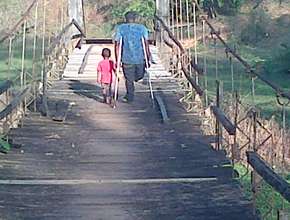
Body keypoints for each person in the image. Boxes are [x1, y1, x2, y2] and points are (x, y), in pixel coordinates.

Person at [114, 11, 151, 103]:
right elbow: (146, 43)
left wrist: (117, 57)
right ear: (135, 19)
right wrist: (148, 56)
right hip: (138, 58)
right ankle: (130, 95)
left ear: (125, 19)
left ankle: (130, 94)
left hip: (128, 58)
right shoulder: (142, 28)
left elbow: (117, 44)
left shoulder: (121, 28)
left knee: (131, 78)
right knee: (136, 76)